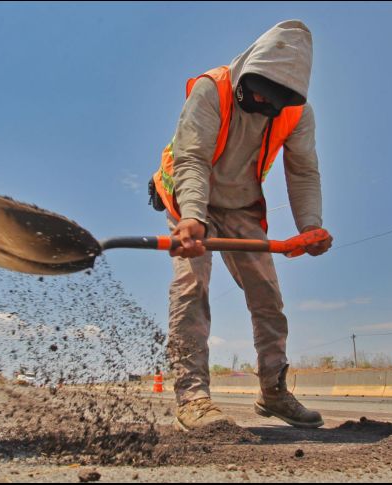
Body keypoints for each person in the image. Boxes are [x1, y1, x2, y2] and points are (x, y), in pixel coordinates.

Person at [149, 20, 332, 431]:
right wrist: (192, 217)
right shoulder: (211, 89)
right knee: (191, 288)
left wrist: (310, 227)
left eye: (276, 98)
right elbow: (191, 158)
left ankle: (274, 392)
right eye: (259, 89)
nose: (265, 100)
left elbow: (303, 171)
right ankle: (192, 397)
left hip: (242, 207)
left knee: (267, 297)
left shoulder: (298, 113)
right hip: (190, 198)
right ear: (250, 69)